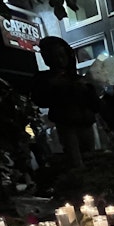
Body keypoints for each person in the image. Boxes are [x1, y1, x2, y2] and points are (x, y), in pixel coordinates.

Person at [31, 36, 99, 169]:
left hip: (86, 124)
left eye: (62, 55)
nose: (60, 60)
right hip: (67, 127)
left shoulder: (77, 78)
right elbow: (40, 99)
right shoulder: (45, 79)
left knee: (92, 161)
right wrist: (59, 87)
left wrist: (88, 89)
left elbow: (95, 105)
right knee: (76, 164)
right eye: (54, 56)